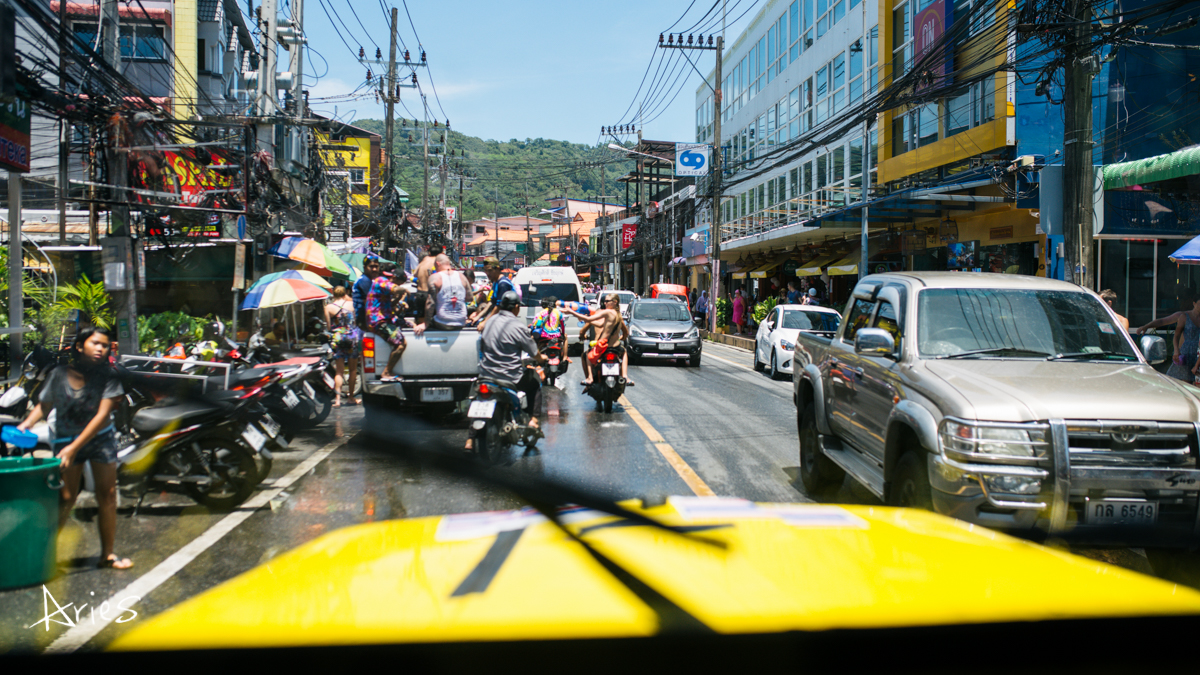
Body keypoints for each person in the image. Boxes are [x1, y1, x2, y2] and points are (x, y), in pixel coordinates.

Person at [17, 328, 131, 569]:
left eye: (106, 345)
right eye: (96, 343)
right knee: (67, 497)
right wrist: (25, 425)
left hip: (100, 439)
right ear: (79, 346)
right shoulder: (59, 374)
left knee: (107, 495)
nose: (102, 349)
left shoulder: (109, 375)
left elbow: (102, 416)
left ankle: (107, 555)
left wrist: (73, 448)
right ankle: (43, 556)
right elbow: (45, 405)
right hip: (65, 437)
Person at [473, 291, 547, 448]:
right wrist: (542, 359)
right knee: (534, 380)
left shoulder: (489, 323)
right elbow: (534, 353)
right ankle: (534, 421)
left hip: (486, 375)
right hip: (510, 377)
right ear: (517, 308)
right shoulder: (518, 326)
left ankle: (469, 440)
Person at [561, 292, 632, 386]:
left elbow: (590, 320)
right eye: (605, 301)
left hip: (603, 346)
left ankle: (590, 377)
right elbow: (600, 324)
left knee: (588, 356)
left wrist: (571, 312)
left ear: (615, 302)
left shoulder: (608, 312)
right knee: (624, 352)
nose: (605, 303)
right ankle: (625, 376)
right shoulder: (618, 314)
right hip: (616, 346)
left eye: (607, 301)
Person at [367, 262, 411, 381]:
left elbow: (390, 307)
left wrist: (397, 299)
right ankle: (386, 372)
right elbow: (395, 289)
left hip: (384, 318)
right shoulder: (382, 281)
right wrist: (404, 290)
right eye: (399, 282)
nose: (399, 285)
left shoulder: (382, 286)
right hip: (378, 321)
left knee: (411, 325)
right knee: (401, 343)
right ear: (394, 277)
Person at [416, 254, 472, 335]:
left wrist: (425, 324)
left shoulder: (434, 277)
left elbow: (430, 303)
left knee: (418, 322)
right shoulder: (462, 276)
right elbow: (470, 298)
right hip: (461, 322)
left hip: (443, 323)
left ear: (438, 264)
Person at [324, 286, 360, 407]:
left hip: (337, 339)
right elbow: (356, 321)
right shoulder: (352, 305)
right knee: (353, 370)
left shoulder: (328, 307)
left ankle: (338, 400)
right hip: (351, 338)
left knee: (339, 371)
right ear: (345, 294)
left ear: (333, 295)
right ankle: (350, 397)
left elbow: (329, 327)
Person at [472, 256, 518, 326]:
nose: (487, 273)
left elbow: (498, 307)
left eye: (490, 270)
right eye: (485, 270)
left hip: (505, 322)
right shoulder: (495, 282)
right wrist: (477, 317)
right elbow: (491, 303)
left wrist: (485, 323)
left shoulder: (503, 284)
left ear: (498, 269)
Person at [352, 255, 381, 329]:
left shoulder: (368, 280)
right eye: (371, 266)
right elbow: (371, 303)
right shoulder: (364, 280)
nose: (374, 269)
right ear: (364, 267)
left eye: (376, 266)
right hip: (363, 321)